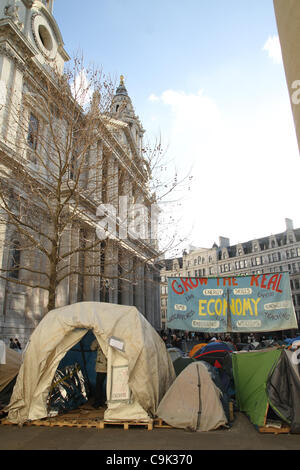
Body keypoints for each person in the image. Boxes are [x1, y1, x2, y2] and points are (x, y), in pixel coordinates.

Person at [90, 338, 107, 409]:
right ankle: (102, 402)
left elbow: (92, 347)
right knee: (104, 384)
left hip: (101, 366)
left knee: (99, 385)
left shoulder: (98, 338)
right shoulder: (112, 337)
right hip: (110, 365)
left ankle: (98, 403)